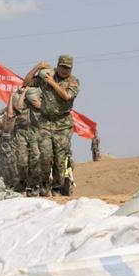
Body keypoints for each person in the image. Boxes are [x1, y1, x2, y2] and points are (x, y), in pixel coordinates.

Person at [23, 55, 79, 196]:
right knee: (45, 157)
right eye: (62, 67)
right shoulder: (46, 75)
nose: (65, 70)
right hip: (45, 123)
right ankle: (44, 186)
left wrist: (52, 83)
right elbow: (25, 83)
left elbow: (66, 96)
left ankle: (57, 188)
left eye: (68, 68)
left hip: (63, 125)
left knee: (60, 159)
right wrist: (37, 67)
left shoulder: (73, 81)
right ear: (58, 66)